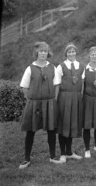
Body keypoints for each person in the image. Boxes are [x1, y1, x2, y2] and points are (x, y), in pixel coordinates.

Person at [19, 41, 63, 169]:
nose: (43, 53)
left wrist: (53, 98)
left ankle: (52, 157)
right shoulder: (30, 68)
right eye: (41, 51)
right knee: (31, 131)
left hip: (49, 103)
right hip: (34, 104)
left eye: (45, 51)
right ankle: (26, 159)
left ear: (48, 53)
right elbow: (24, 87)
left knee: (51, 130)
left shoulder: (52, 67)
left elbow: (57, 85)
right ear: (36, 53)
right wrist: (31, 99)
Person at [56, 42, 85, 162]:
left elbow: (82, 83)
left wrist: (80, 96)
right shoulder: (61, 66)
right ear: (66, 54)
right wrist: (56, 99)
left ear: (76, 53)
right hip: (64, 98)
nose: (71, 54)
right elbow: (57, 84)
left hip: (76, 98)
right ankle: (63, 153)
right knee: (64, 125)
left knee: (72, 125)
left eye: (73, 51)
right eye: (69, 52)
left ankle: (69, 152)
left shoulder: (81, 66)